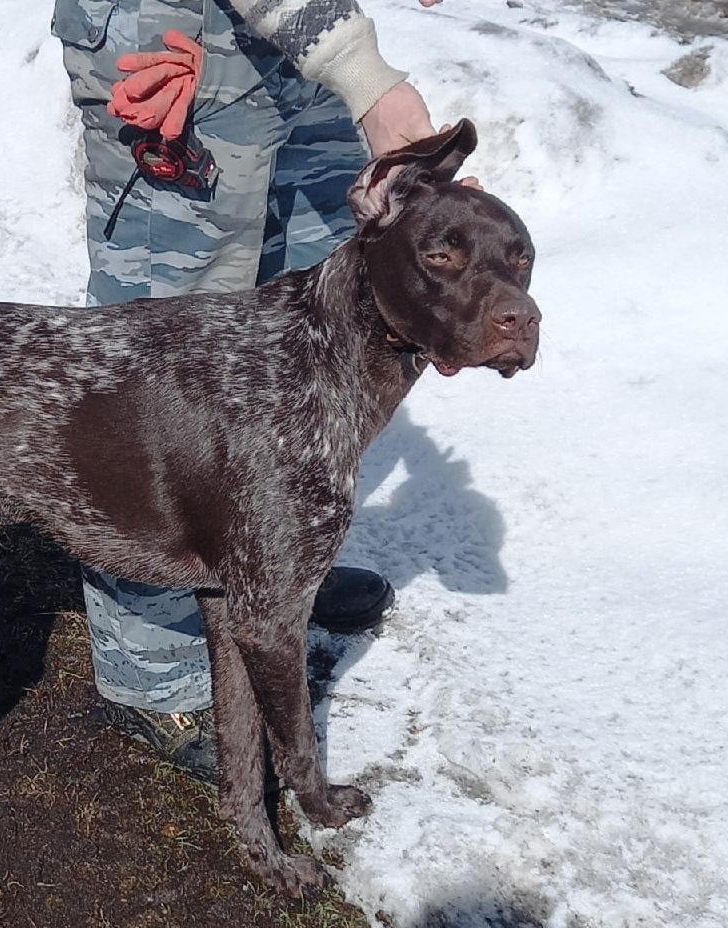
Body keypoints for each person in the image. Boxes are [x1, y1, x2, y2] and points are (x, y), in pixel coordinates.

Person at [51, 0, 447, 782]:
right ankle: (152, 670)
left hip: (307, 42)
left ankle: (272, 566)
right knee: (164, 361)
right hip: (177, 43)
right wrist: (367, 80)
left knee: (315, 314)